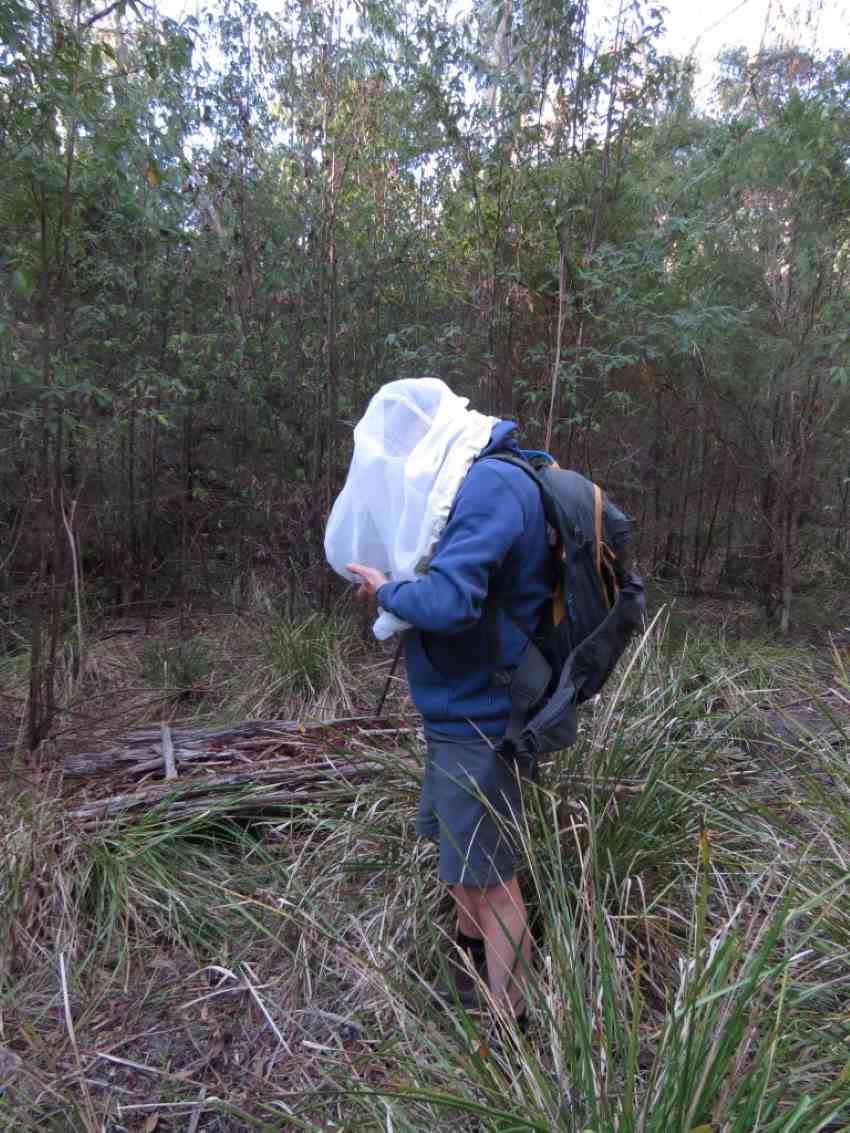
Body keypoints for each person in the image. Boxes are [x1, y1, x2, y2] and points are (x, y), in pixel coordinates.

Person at [345, 385, 552, 1026]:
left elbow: (452, 603)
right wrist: (400, 591)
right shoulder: (473, 476)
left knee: (490, 873)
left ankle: (507, 1020)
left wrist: (391, 591)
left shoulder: (489, 485)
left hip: (481, 714)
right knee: (462, 858)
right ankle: (470, 977)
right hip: (457, 707)